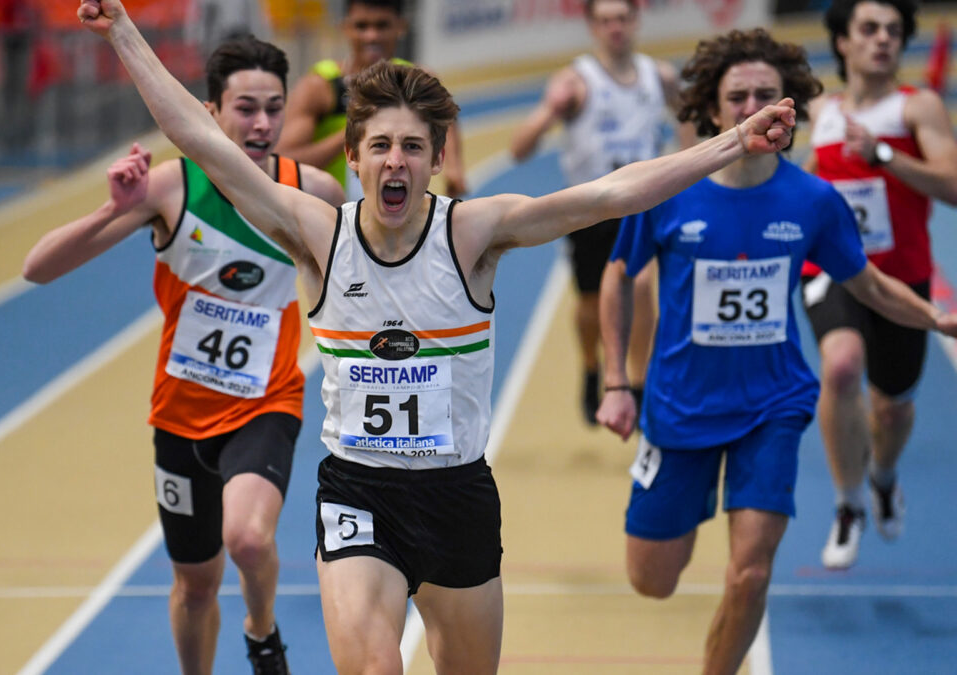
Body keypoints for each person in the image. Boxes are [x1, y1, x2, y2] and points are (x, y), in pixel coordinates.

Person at [75, 1, 797, 671]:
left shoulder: (473, 232)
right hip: (359, 491)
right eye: (381, 145)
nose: (396, 161)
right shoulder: (318, 234)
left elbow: (610, 194)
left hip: (457, 495)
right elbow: (197, 136)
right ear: (352, 159)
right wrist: (122, 31)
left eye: (414, 147)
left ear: (436, 157)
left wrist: (731, 141)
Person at [596, 28, 957, 675]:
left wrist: (934, 314)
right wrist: (618, 382)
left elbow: (866, 283)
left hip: (773, 404)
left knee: (751, 570)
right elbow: (619, 276)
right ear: (712, 108)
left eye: (769, 93)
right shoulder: (668, 192)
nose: (754, 106)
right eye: (739, 96)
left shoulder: (814, 200)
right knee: (652, 578)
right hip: (681, 406)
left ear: (791, 106)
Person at [22, 36, 344, 675]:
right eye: (245, 107)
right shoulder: (171, 186)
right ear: (210, 112)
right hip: (179, 416)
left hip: (266, 402)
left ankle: (261, 628)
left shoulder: (311, 194)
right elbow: (38, 268)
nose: (260, 124)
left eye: (273, 109)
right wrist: (112, 212)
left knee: (248, 539)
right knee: (195, 585)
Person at [803, 0, 957, 569]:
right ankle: (848, 505)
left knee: (891, 409)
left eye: (894, 30)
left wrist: (885, 155)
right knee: (840, 367)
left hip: (901, 278)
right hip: (832, 270)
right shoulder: (819, 108)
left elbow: (953, 184)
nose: (883, 39)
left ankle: (884, 478)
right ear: (843, 42)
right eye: (869, 29)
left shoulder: (917, 107)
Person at [510, 0, 688, 423]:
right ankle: (591, 366)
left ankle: (639, 382)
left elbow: (689, 119)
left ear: (635, 21)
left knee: (641, 287)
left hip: (642, 203)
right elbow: (519, 148)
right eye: (605, 20)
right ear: (592, 26)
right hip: (589, 207)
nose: (615, 28)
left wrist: (686, 159)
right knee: (591, 304)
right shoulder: (575, 79)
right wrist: (550, 110)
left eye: (622, 18)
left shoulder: (659, 76)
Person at [274, 0, 467, 200]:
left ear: (401, 27)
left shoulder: (414, 79)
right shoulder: (322, 87)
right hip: (334, 217)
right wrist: (355, 132)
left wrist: (454, 167)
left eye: (382, 25)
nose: (372, 36)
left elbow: (448, 119)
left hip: (396, 212)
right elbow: (283, 163)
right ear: (345, 28)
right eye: (361, 26)